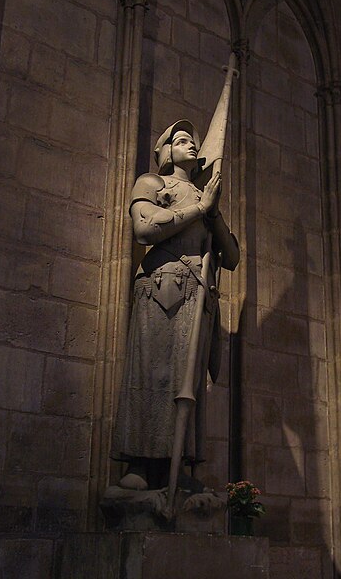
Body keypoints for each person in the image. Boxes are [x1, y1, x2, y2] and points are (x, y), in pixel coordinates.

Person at [110, 119, 239, 492]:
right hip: (161, 289)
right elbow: (144, 229)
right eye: (181, 140)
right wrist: (200, 210)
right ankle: (139, 461)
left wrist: (212, 213)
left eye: (193, 141)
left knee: (187, 383)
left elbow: (230, 257)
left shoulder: (205, 197)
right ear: (166, 150)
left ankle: (176, 460)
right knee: (151, 374)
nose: (191, 146)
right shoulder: (152, 183)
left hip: (196, 297)